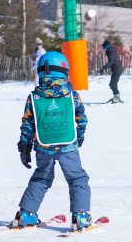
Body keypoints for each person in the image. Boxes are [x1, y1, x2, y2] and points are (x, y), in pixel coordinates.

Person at [10, 51, 93, 231]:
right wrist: (79, 138)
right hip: (68, 146)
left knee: (41, 178)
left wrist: (25, 146)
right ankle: (80, 216)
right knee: (77, 177)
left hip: (43, 146)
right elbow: (82, 119)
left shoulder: (33, 97)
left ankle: (26, 214)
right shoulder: (72, 96)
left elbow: (28, 124)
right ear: (64, 72)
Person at [99, 39, 124, 104]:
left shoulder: (111, 52)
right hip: (116, 69)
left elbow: (111, 62)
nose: (103, 49)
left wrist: (103, 68)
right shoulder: (110, 51)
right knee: (112, 84)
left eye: (103, 47)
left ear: (106, 47)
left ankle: (117, 98)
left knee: (113, 84)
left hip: (117, 69)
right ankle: (116, 97)